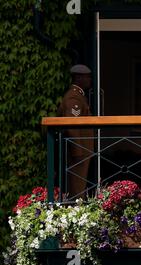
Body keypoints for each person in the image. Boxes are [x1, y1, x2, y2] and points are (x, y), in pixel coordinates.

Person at [57, 64, 94, 199]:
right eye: (87, 77)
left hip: (82, 149)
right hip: (79, 150)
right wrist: (77, 151)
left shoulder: (78, 96)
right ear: (78, 78)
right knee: (76, 187)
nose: (89, 80)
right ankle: (75, 212)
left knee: (79, 185)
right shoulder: (74, 98)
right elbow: (72, 126)